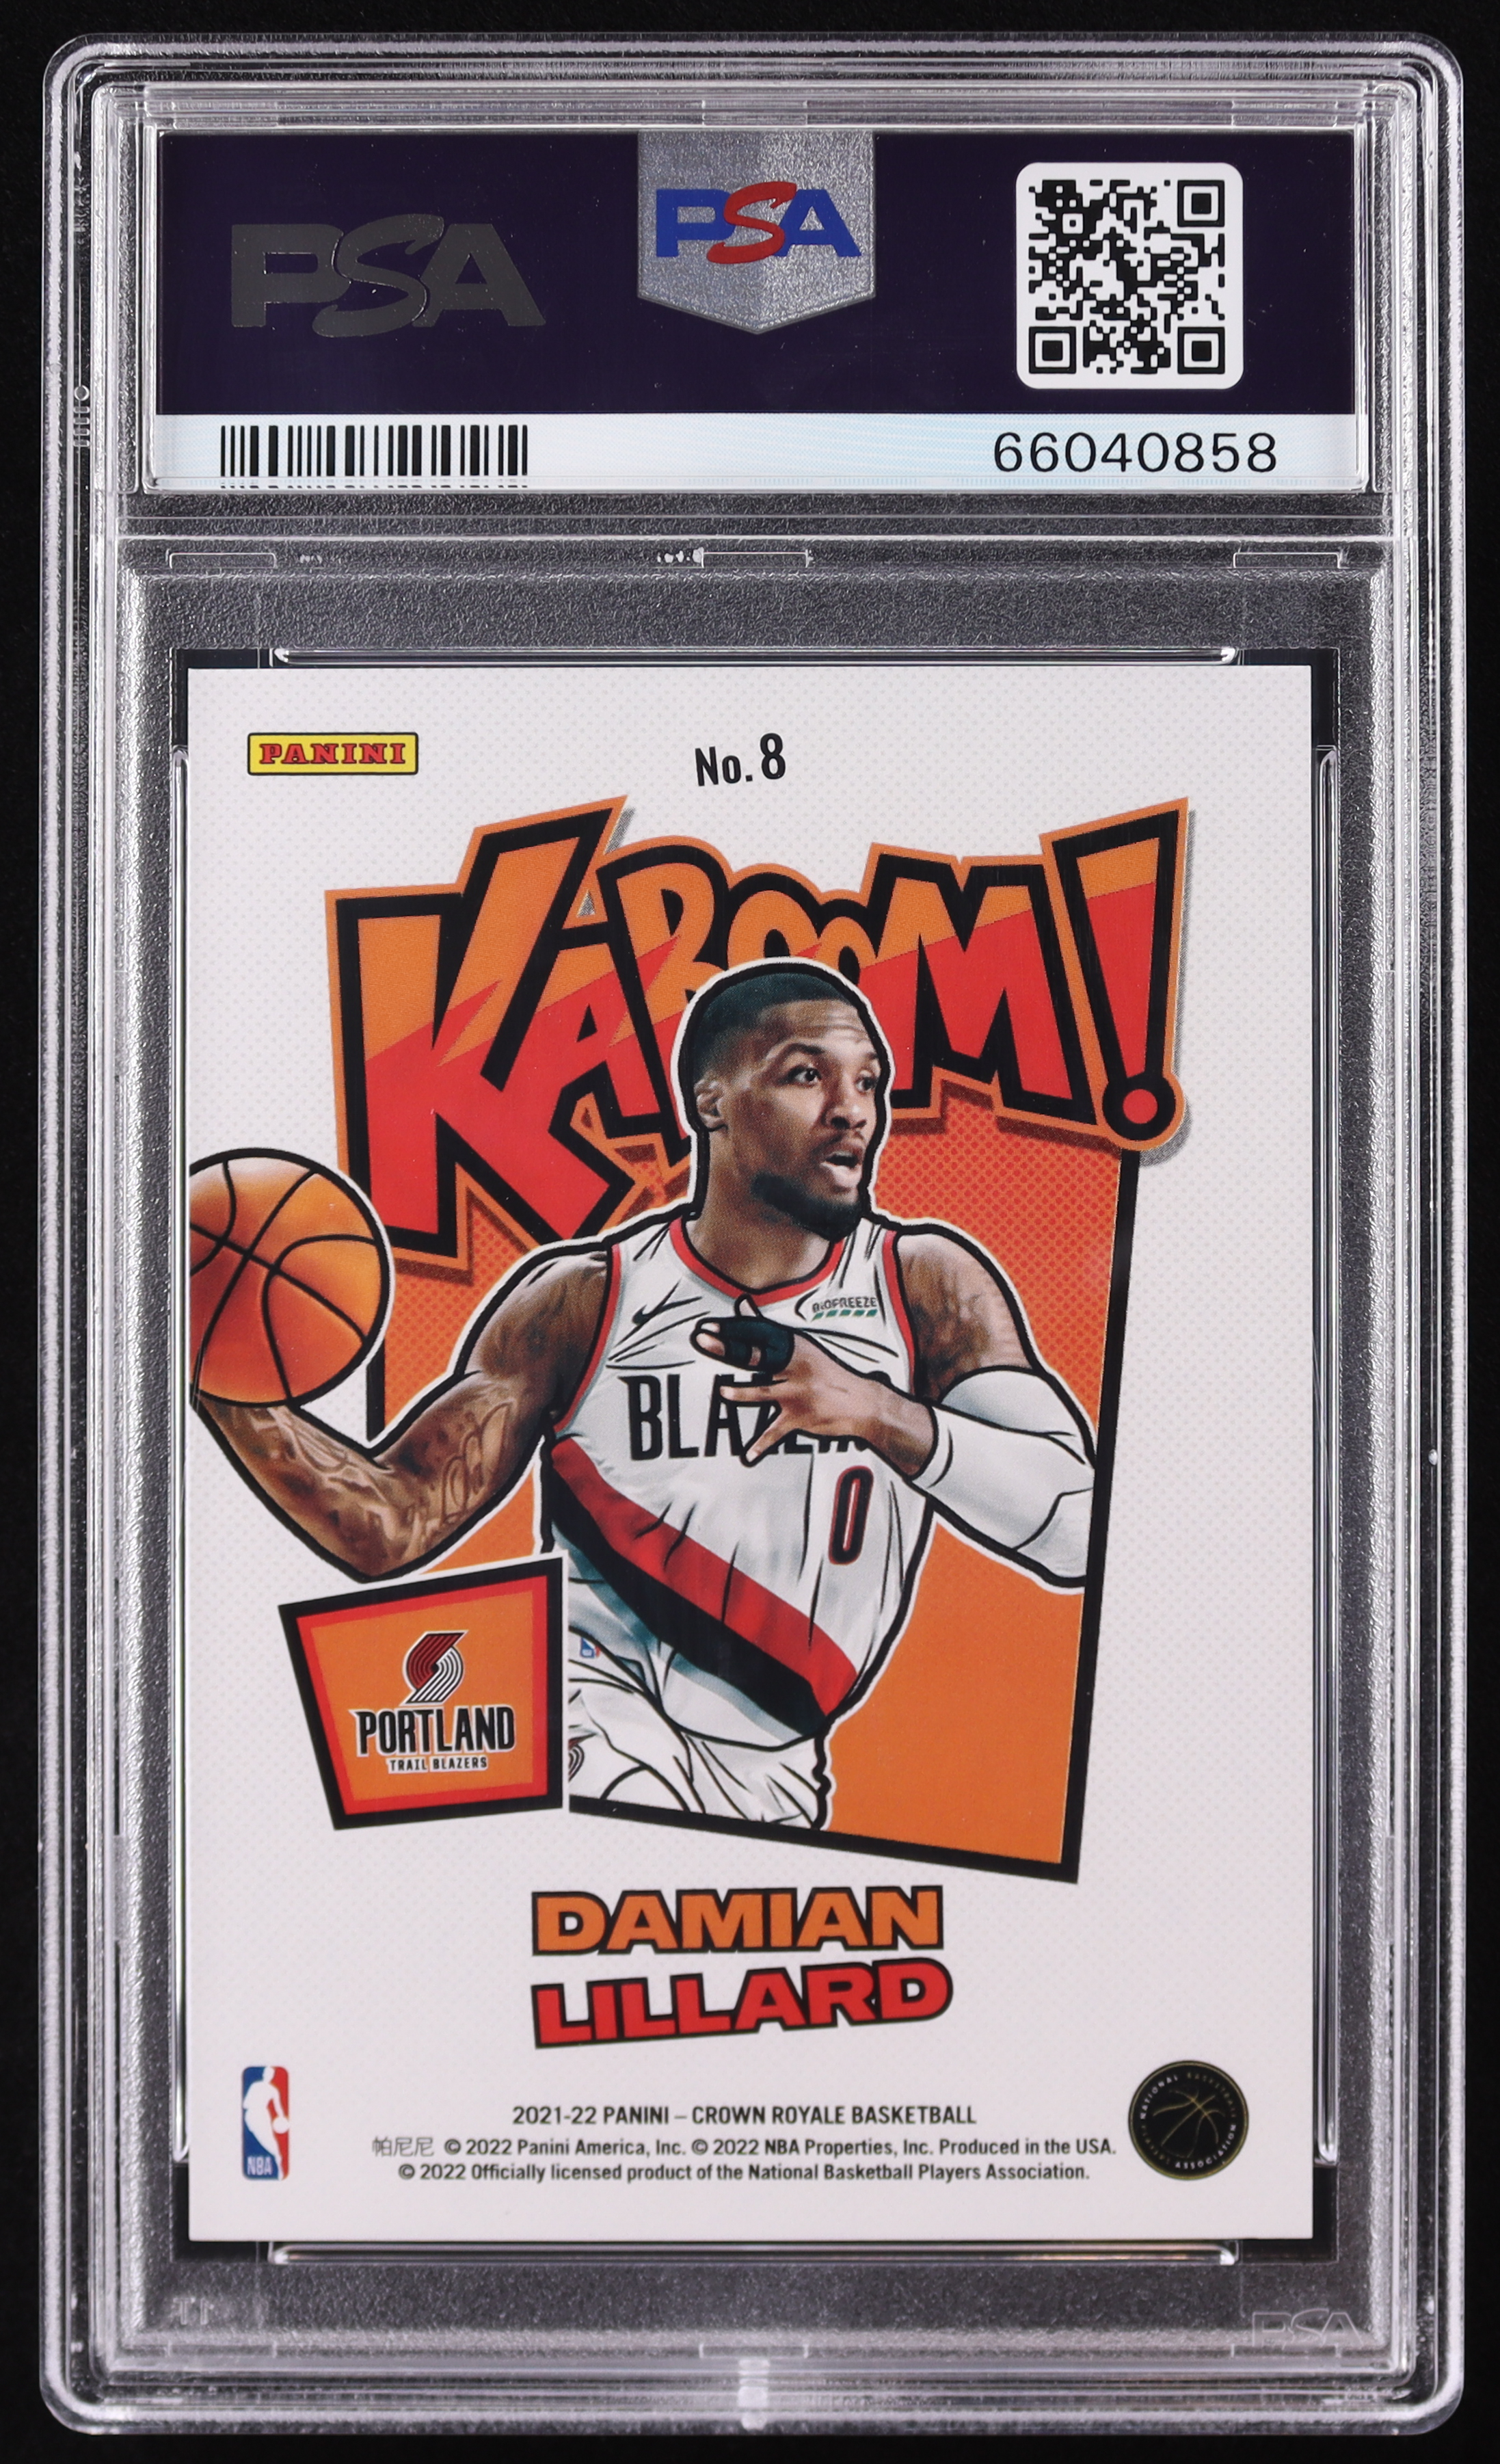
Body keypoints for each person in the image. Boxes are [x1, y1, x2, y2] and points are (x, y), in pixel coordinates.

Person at [199, 959, 1095, 1829]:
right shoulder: (585, 1299)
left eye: (867, 1081)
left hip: (777, 1762)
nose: (851, 1110)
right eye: (805, 1075)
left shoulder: (926, 1284)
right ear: (711, 1102)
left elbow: (1077, 1532)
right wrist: (215, 1368)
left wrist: (876, 1410)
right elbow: (394, 1522)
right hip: (590, 1696)